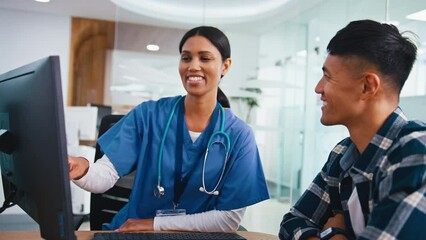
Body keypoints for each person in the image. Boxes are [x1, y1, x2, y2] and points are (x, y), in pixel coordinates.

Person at [69, 26, 270, 232]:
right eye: (186, 58)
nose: (193, 66)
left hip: (188, 236)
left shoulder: (239, 135)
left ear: (225, 66)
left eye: (205, 58)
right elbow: (104, 176)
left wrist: (155, 225)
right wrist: (80, 168)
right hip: (132, 233)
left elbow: (228, 220)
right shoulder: (148, 115)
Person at [279, 19, 425, 240]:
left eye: (328, 76)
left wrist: (332, 232)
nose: (318, 88)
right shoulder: (343, 154)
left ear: (367, 86)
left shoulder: (416, 155)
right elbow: (292, 222)